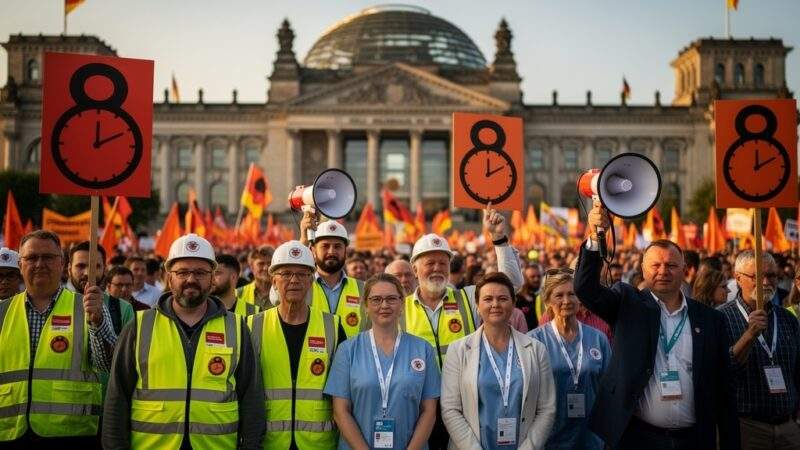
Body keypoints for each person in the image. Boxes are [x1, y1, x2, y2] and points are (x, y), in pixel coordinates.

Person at [575, 201, 739, 450]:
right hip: (637, 438)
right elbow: (585, 288)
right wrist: (595, 237)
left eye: (672, 265)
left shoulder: (710, 319)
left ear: (685, 270)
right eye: (656, 265)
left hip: (693, 440)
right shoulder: (627, 303)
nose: (664, 271)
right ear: (642, 269)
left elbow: (724, 390)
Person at [102, 234, 264, 450]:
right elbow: (117, 398)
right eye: (183, 272)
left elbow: (251, 399)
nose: (191, 279)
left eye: (200, 272)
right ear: (169, 277)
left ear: (212, 277)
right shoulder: (139, 326)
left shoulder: (237, 327)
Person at [0, 230, 115, 447]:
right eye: (32, 258)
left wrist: (97, 322)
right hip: (9, 431)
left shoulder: (88, 306)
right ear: (20, 264)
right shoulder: (2, 312)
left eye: (48, 257)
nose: (39, 264)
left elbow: (108, 365)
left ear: (62, 263)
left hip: (71, 433)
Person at [247, 240, 347, 450]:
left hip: (319, 444)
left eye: (302, 274)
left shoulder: (333, 326)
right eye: (286, 274)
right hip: (269, 443)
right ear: (273, 281)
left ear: (312, 280)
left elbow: (344, 392)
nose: (294, 280)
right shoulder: (252, 326)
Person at [441, 272, 556, 449]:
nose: (495, 304)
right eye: (488, 299)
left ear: (513, 304)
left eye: (502, 298)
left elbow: (547, 408)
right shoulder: (458, 350)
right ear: (477, 305)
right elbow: (450, 409)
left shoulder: (536, 349)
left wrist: (529, 447)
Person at [325, 273, 440, 450]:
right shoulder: (348, 350)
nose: (384, 305)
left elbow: (429, 411)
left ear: (402, 303)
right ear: (366, 306)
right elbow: (340, 412)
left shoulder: (422, 349)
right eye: (376, 299)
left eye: (391, 299)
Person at [717, 251, 800, 449]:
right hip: (747, 428)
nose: (765, 282)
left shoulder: (787, 318)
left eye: (771, 276)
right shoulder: (720, 318)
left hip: (788, 427)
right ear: (738, 278)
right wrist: (749, 335)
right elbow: (722, 371)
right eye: (757, 276)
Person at [529, 268, 610, 449]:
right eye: (559, 295)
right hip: (549, 438)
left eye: (572, 294)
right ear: (548, 300)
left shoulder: (598, 338)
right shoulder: (534, 341)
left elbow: (608, 390)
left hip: (591, 437)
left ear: (579, 298)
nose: (566, 301)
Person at [299, 218, 366, 338]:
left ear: (346, 251)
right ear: (313, 250)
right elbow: (276, 298)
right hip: (312, 356)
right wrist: (303, 243)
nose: (331, 251)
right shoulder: (300, 285)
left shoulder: (364, 289)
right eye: (325, 246)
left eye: (337, 247)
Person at [67, 241, 134, 336]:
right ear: (69, 269)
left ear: (104, 269)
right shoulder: (53, 304)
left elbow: (126, 349)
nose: (87, 273)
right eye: (81, 266)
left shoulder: (122, 309)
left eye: (96, 266)